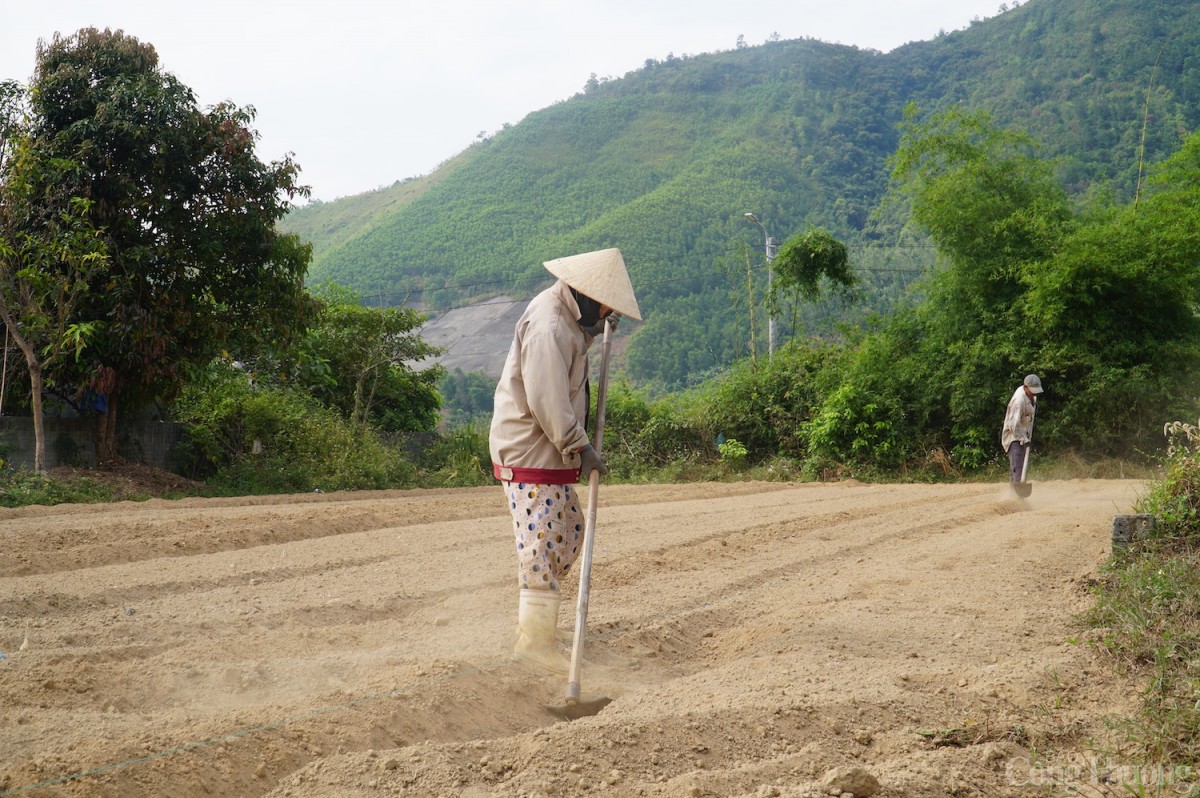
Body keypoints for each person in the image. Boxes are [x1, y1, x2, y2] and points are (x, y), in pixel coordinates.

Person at [489, 247, 642, 673]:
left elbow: (572, 355)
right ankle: (534, 648)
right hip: (529, 451)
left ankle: (538, 629)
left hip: (548, 453)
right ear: (589, 295)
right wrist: (581, 447)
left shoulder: (570, 318)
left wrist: (596, 328)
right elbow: (547, 399)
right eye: (606, 307)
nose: (609, 313)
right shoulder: (550, 325)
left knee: (569, 530)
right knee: (544, 543)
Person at [1001, 374, 1043, 486]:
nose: (1034, 393)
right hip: (1014, 436)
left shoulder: (1031, 396)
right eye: (1032, 390)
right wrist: (1023, 439)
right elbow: (1013, 425)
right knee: (1017, 465)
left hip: (1023, 433)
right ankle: (1017, 495)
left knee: (1019, 466)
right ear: (1026, 387)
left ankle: (1014, 491)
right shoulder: (1018, 401)